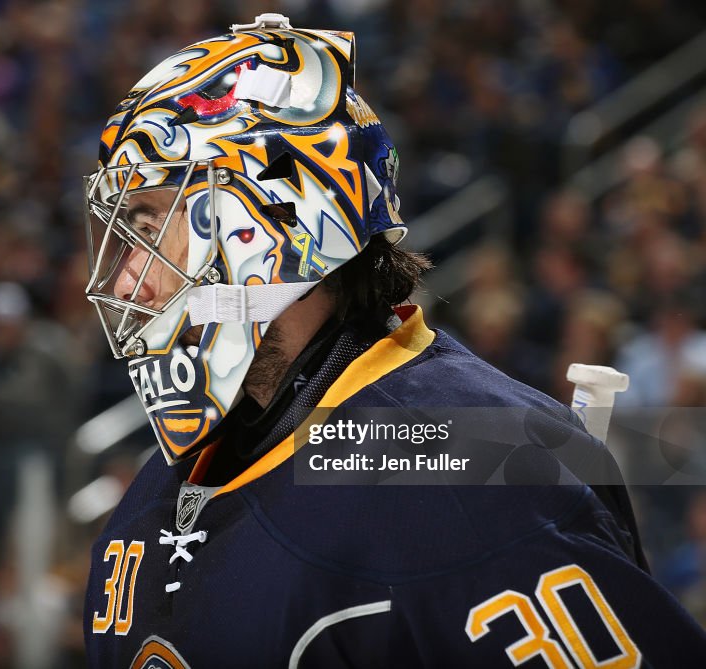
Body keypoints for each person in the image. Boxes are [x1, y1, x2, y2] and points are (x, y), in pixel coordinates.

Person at [82, 14, 706, 667]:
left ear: (274, 220)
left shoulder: (471, 470)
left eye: (154, 221)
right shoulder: (158, 492)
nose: (130, 278)